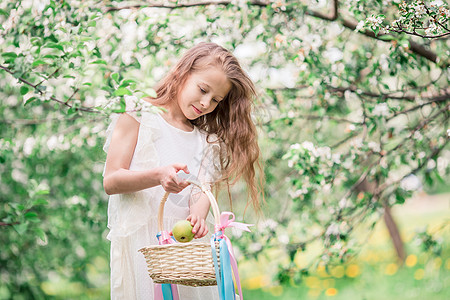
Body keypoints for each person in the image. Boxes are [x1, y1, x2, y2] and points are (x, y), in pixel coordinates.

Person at [102, 42, 263, 299]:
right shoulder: (138, 113)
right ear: (183, 72)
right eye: (202, 89)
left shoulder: (206, 141)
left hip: (186, 255)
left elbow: (202, 188)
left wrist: (198, 214)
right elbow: (111, 180)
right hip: (144, 246)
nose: (206, 103)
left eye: (216, 100)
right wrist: (157, 175)